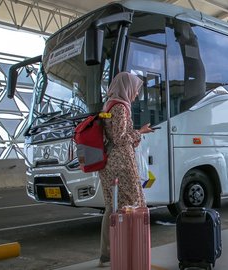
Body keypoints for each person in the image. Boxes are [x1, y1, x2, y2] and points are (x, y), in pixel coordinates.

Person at [98, 72, 154, 267]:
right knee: (132, 204)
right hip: (120, 163)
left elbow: (113, 134)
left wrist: (135, 132)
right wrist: (140, 132)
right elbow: (120, 138)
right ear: (127, 87)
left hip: (109, 163)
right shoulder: (121, 107)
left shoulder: (109, 104)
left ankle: (107, 253)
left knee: (112, 207)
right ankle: (129, 247)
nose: (136, 94)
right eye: (136, 90)